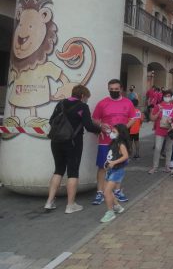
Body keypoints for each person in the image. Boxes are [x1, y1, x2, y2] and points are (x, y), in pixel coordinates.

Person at [44, 85, 101, 214]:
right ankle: (70, 205)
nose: (86, 100)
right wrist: (99, 130)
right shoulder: (83, 107)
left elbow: (52, 121)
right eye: (86, 97)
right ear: (82, 96)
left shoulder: (61, 104)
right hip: (73, 142)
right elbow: (88, 126)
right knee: (73, 171)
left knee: (58, 170)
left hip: (56, 141)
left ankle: (49, 202)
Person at [92, 79, 136, 205]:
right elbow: (94, 119)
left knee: (119, 165)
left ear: (121, 89)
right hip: (105, 140)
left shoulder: (128, 102)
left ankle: (117, 191)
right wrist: (101, 125)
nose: (114, 91)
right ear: (108, 89)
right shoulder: (102, 103)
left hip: (120, 141)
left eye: (116, 89)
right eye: (111, 89)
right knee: (102, 166)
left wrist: (123, 130)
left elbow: (133, 118)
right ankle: (100, 192)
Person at [100, 124, 130, 223]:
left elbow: (125, 156)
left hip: (117, 170)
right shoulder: (114, 142)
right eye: (112, 131)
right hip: (110, 170)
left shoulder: (121, 144)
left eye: (114, 132)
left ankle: (110, 212)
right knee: (106, 190)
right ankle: (117, 206)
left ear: (120, 134)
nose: (112, 133)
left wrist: (114, 162)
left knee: (107, 192)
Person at [148, 90, 173, 174]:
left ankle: (167, 166)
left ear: (171, 97)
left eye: (169, 96)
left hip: (170, 130)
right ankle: (155, 167)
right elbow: (152, 118)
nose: (167, 97)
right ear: (163, 97)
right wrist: (159, 111)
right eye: (166, 96)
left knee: (169, 148)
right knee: (157, 148)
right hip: (160, 130)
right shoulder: (158, 106)